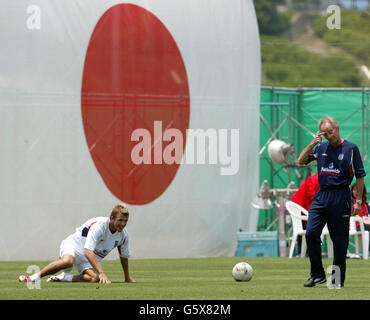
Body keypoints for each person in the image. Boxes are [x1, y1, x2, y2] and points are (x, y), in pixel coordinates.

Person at [297, 115, 366, 288]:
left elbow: (360, 177)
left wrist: (357, 201)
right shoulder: (321, 147)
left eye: (330, 132)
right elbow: (300, 161)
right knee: (311, 233)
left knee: (339, 240)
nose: (329, 136)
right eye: (325, 133)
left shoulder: (351, 148)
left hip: (341, 196)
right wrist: (313, 143)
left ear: (337, 128)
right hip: (321, 196)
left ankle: (336, 279)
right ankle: (317, 275)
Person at [18, 204, 135, 284]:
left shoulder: (124, 235)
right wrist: (102, 272)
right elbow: (88, 251)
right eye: (120, 220)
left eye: (125, 221)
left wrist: (127, 277)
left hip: (89, 257)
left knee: (94, 278)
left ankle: (66, 278)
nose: (123, 224)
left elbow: (124, 256)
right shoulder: (99, 226)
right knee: (67, 261)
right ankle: (34, 277)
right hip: (74, 246)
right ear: (112, 218)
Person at [291, 172, 320, 254]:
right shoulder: (315, 180)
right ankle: (303, 252)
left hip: (304, 206)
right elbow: (314, 199)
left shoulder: (319, 178)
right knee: (303, 230)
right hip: (300, 207)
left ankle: (305, 252)